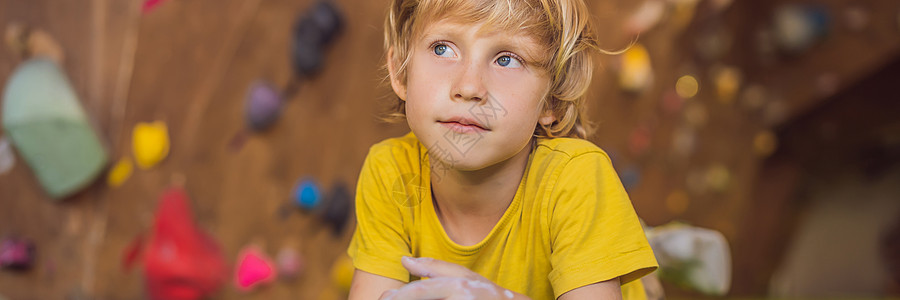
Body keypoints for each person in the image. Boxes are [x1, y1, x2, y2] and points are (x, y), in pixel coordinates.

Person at [348, 0, 658, 299]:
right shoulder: (390, 171)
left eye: (506, 59)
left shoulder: (578, 181)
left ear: (553, 99)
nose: (469, 87)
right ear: (401, 73)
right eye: (443, 48)